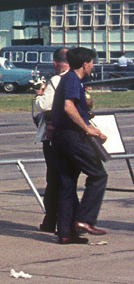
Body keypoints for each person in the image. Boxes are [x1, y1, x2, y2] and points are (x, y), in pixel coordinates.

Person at [51, 47, 108, 244]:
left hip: (60, 136)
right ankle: (85, 220)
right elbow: (68, 107)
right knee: (99, 175)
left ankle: (66, 233)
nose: (93, 66)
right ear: (85, 64)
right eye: (92, 62)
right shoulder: (73, 79)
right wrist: (87, 128)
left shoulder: (68, 79)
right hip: (72, 136)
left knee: (67, 183)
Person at [32, 47, 70, 233]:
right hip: (71, 135)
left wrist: (39, 95)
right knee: (65, 179)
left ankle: (52, 220)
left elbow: (45, 106)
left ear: (55, 63)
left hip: (54, 136)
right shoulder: (76, 79)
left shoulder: (56, 80)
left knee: (54, 179)